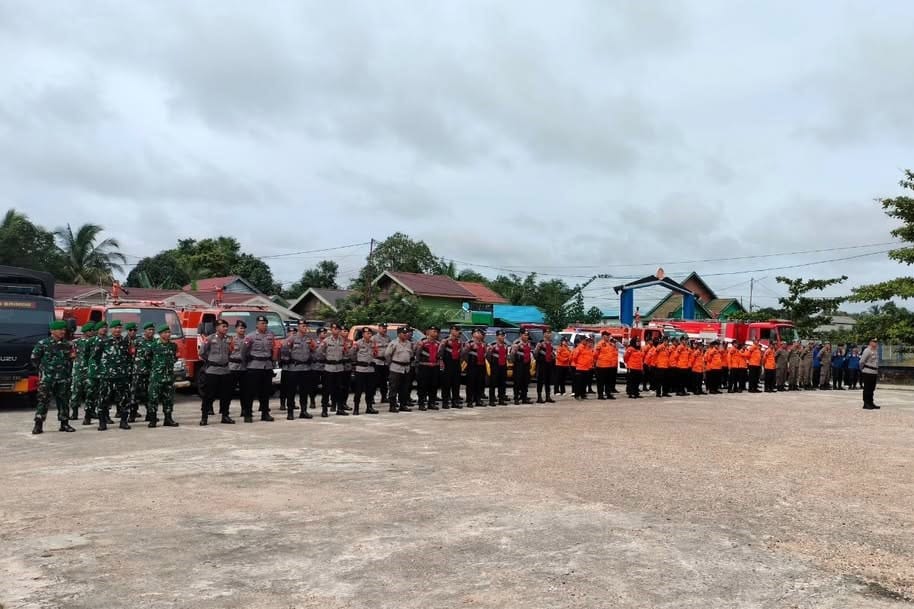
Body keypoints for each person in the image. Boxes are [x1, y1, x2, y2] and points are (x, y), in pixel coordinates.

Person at [30, 320, 75, 434]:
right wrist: (44, 370)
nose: (62, 331)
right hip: (48, 379)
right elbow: (34, 359)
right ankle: (38, 424)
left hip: (63, 378)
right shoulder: (43, 343)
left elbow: (72, 359)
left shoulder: (68, 344)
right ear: (52, 331)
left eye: (64, 329)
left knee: (64, 401)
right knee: (43, 401)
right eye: (60, 329)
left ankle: (64, 423)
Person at [97, 320, 133, 431]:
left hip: (121, 376)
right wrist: (102, 370)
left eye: (119, 328)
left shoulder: (126, 342)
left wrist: (127, 370)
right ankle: (102, 422)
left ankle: (123, 421)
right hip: (107, 376)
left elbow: (129, 357)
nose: (117, 330)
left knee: (124, 399)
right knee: (103, 399)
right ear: (111, 329)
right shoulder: (103, 341)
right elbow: (96, 357)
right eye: (115, 328)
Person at [199, 319, 235, 425]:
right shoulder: (209, 339)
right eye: (223, 326)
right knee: (208, 395)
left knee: (226, 395)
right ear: (217, 328)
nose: (226, 328)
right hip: (212, 371)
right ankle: (204, 417)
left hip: (225, 370)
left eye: (226, 326)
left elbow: (230, 352)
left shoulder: (228, 339)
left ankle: (225, 416)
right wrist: (211, 361)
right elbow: (202, 353)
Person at [244, 315, 277, 422]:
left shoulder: (271, 335)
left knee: (265, 392)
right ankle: (248, 414)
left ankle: (265, 413)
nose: (264, 325)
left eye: (266, 323)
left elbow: (273, 349)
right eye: (262, 323)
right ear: (257, 325)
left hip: (267, 366)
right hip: (254, 366)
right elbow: (243, 352)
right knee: (250, 392)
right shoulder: (250, 336)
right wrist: (247, 364)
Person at [280, 320, 315, 420]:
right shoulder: (292, 338)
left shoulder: (309, 339)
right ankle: (290, 412)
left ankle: (303, 411)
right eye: (303, 326)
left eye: (306, 326)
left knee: (304, 391)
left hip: (306, 368)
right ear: (298, 327)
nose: (305, 328)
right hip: (294, 368)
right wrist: (287, 360)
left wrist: (311, 358)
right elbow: (284, 349)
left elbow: (313, 350)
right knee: (291, 391)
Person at [148, 324, 180, 427]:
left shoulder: (173, 346)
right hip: (156, 377)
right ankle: (152, 420)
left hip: (169, 377)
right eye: (165, 333)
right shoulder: (154, 345)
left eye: (169, 332)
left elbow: (175, 358)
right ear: (160, 334)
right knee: (153, 399)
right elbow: (147, 359)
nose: (168, 334)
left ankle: (168, 419)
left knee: (168, 399)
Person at [317, 322, 349, 417]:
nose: (336, 330)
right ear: (331, 330)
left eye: (338, 329)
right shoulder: (326, 341)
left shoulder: (342, 341)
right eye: (334, 329)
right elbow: (319, 352)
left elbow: (346, 352)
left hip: (339, 368)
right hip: (329, 368)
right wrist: (326, 358)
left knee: (339, 389)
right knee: (326, 390)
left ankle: (339, 408)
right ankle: (324, 410)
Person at [129, 322, 156, 422]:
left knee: (150, 394)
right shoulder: (138, 341)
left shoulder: (156, 342)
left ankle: (150, 414)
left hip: (150, 372)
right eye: (149, 330)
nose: (151, 332)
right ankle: (132, 414)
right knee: (134, 394)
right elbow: (131, 354)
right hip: (138, 372)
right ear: (145, 331)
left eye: (152, 330)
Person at [69, 322, 95, 422]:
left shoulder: (94, 341)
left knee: (90, 392)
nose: (92, 332)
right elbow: (70, 355)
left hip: (91, 370)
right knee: (76, 391)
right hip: (78, 371)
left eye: (93, 330)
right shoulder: (76, 342)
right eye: (90, 330)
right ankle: (74, 412)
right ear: (85, 332)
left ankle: (89, 413)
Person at [350, 327, 379, 415]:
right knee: (358, 390)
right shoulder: (358, 343)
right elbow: (352, 354)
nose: (369, 335)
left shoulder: (373, 343)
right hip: (361, 370)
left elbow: (375, 354)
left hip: (370, 369)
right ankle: (356, 408)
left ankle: (369, 407)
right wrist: (357, 362)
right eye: (367, 333)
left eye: (370, 333)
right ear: (363, 334)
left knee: (370, 390)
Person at [385, 326, 414, 412]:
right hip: (396, 367)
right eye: (404, 333)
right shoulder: (393, 343)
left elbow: (411, 355)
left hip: (406, 368)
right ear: (398, 334)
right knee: (394, 387)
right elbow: (387, 355)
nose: (406, 335)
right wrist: (391, 364)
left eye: (407, 333)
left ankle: (403, 405)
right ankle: (392, 406)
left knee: (404, 388)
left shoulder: (409, 343)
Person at [228, 320, 249, 421]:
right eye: (240, 328)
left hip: (244, 368)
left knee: (245, 391)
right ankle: (225, 410)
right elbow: (226, 352)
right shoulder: (231, 340)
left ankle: (244, 410)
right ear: (236, 329)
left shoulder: (248, 340)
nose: (242, 330)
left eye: (244, 328)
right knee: (229, 390)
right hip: (233, 367)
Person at [440, 325, 464, 408]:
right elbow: (440, 353)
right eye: (457, 330)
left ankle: (455, 402)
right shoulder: (445, 341)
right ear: (451, 331)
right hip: (447, 364)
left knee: (456, 384)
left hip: (456, 364)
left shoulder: (459, 342)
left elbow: (461, 354)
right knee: (446, 384)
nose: (458, 332)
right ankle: (445, 402)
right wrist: (441, 362)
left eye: (459, 331)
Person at [463, 329, 487, 407]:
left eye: (480, 333)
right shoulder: (469, 343)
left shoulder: (483, 344)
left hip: (481, 365)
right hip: (472, 366)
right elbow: (464, 354)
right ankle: (470, 400)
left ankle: (478, 400)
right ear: (473, 334)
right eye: (477, 333)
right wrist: (469, 362)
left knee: (479, 383)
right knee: (471, 384)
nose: (480, 334)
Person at [510, 329, 534, 405]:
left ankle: (524, 397)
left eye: (527, 335)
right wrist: (515, 363)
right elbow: (512, 355)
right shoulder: (516, 343)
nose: (526, 336)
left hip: (526, 365)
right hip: (519, 364)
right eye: (525, 334)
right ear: (521, 335)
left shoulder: (528, 343)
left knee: (525, 381)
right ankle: (516, 398)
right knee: (517, 382)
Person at [487, 330, 510, 406]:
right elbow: (488, 356)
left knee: (502, 383)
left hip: (503, 366)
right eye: (501, 335)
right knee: (493, 383)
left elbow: (506, 355)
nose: (502, 337)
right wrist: (493, 363)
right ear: (497, 336)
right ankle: (491, 400)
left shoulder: (505, 345)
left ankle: (501, 399)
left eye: (503, 336)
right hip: (495, 366)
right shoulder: (492, 345)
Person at [533, 329, 556, 403]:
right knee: (540, 381)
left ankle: (548, 396)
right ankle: (539, 397)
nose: (549, 334)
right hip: (542, 364)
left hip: (549, 364)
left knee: (548, 381)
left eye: (550, 333)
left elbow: (552, 353)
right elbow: (535, 353)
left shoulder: (551, 343)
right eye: (547, 333)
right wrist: (540, 360)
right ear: (544, 334)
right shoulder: (540, 343)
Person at [593, 331, 618, 400]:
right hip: (601, 366)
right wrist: (596, 362)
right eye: (607, 336)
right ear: (603, 336)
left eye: (609, 336)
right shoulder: (600, 344)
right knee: (601, 382)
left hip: (609, 366)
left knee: (608, 381)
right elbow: (595, 355)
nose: (608, 337)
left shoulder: (610, 344)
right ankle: (600, 395)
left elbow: (613, 354)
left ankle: (608, 394)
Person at [278, 326, 297, 411]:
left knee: (293, 387)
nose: (292, 334)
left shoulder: (297, 342)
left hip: (294, 368)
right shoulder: (283, 342)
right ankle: (282, 403)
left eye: (294, 333)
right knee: (284, 387)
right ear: (287, 333)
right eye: (290, 332)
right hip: (286, 367)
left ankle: (292, 403)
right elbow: (279, 354)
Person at [571, 336, 595, 400]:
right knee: (579, 382)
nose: (586, 341)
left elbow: (590, 357)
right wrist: (578, 364)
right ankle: (577, 395)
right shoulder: (579, 348)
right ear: (581, 340)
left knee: (584, 382)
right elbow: (574, 357)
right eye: (585, 340)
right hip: (580, 368)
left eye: (586, 340)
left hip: (586, 368)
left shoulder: (587, 348)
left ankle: (583, 394)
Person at [371, 323, 390, 404]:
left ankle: (384, 397)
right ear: (379, 328)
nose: (385, 329)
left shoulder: (388, 338)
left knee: (384, 381)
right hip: (377, 362)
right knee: (374, 381)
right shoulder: (374, 338)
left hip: (385, 363)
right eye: (383, 328)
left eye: (386, 328)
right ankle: (371, 397)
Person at [860, 339, 880, 409]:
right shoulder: (867, 350)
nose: (876, 343)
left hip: (874, 372)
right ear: (870, 342)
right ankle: (866, 403)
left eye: (876, 342)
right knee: (867, 388)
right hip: (867, 371)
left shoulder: (875, 351)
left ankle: (871, 402)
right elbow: (861, 361)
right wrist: (862, 369)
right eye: (874, 342)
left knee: (872, 388)